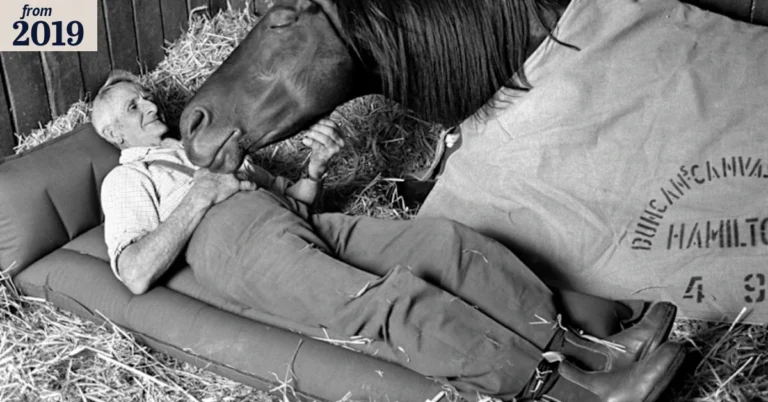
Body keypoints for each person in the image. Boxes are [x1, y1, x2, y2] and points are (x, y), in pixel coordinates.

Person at [92, 70, 686, 402]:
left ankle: (597, 352)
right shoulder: (127, 180)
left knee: (442, 243)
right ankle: (577, 397)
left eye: (144, 94)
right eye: (131, 103)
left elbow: (296, 206)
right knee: (391, 299)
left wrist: (314, 172)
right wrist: (199, 195)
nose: (148, 101)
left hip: (296, 224)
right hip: (232, 248)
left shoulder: (208, 146)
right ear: (114, 132)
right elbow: (135, 271)